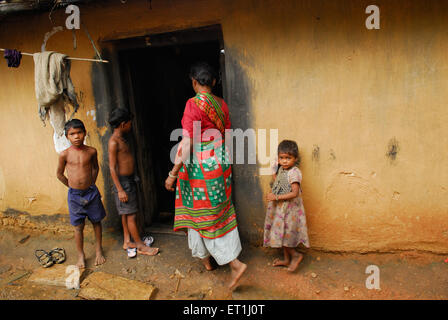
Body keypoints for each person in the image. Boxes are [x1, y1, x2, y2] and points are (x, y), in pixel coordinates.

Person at [165, 62, 247, 290]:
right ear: (213, 82)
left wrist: (173, 173)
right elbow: (228, 136)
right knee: (215, 211)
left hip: (199, 168)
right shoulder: (221, 104)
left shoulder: (193, 104)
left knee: (206, 216)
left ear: (193, 82)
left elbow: (188, 141)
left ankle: (234, 264)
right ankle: (206, 259)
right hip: (220, 163)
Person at [108, 108, 159, 257]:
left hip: (128, 181)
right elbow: (112, 167)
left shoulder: (122, 138)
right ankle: (140, 245)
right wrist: (120, 189)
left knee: (126, 213)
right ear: (123, 124)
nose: (131, 126)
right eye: (130, 123)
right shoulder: (113, 142)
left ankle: (127, 241)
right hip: (123, 184)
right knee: (131, 216)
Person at [56, 119, 106, 268]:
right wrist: (71, 186)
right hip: (75, 196)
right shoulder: (64, 155)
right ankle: (81, 255)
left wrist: (91, 183)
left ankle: (98, 250)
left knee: (97, 222)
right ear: (67, 137)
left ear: (84, 133)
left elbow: (96, 168)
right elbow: (59, 174)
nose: (76, 136)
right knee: (78, 227)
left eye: (79, 132)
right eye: (72, 134)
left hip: (91, 193)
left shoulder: (91, 151)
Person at [264, 140, 310, 272]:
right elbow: (278, 181)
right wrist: (274, 168)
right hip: (281, 209)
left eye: (288, 158)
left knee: (287, 234)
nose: (284, 161)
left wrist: (276, 197)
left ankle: (296, 255)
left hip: (290, 210)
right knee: (282, 233)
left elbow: (294, 193)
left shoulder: (294, 173)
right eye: (281, 158)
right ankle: (286, 259)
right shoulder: (282, 170)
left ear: (295, 159)